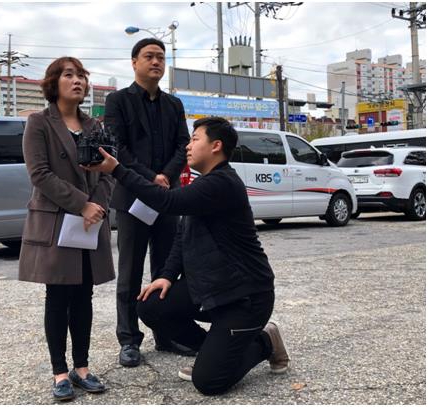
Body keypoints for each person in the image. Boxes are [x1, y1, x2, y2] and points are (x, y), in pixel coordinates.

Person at [84, 117, 290, 396]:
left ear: (216, 146)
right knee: (150, 305)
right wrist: (167, 276)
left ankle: (265, 340)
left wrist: (118, 169)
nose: (188, 147)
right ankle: (215, 349)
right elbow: (182, 235)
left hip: (246, 298)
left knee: (209, 382)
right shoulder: (203, 184)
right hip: (212, 289)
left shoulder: (222, 183)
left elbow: (167, 202)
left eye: (195, 140)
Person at [18, 57, 115, 401]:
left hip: (90, 223)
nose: (78, 81)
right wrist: (82, 203)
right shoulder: (38, 122)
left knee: (84, 295)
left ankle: (82, 367)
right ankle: (60, 371)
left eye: (82, 76)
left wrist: (98, 205)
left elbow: (106, 171)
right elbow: (40, 174)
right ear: (53, 82)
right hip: (58, 221)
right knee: (58, 296)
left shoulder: (95, 125)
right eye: (69, 75)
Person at [104, 38, 191, 367]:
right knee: (129, 272)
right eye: (149, 57)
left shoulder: (174, 105)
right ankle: (129, 339)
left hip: (166, 199)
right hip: (132, 200)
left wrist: (165, 176)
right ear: (134, 62)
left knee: (166, 270)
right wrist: (149, 178)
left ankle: (166, 334)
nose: (156, 62)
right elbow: (117, 148)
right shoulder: (118, 101)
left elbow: (183, 145)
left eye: (160, 57)